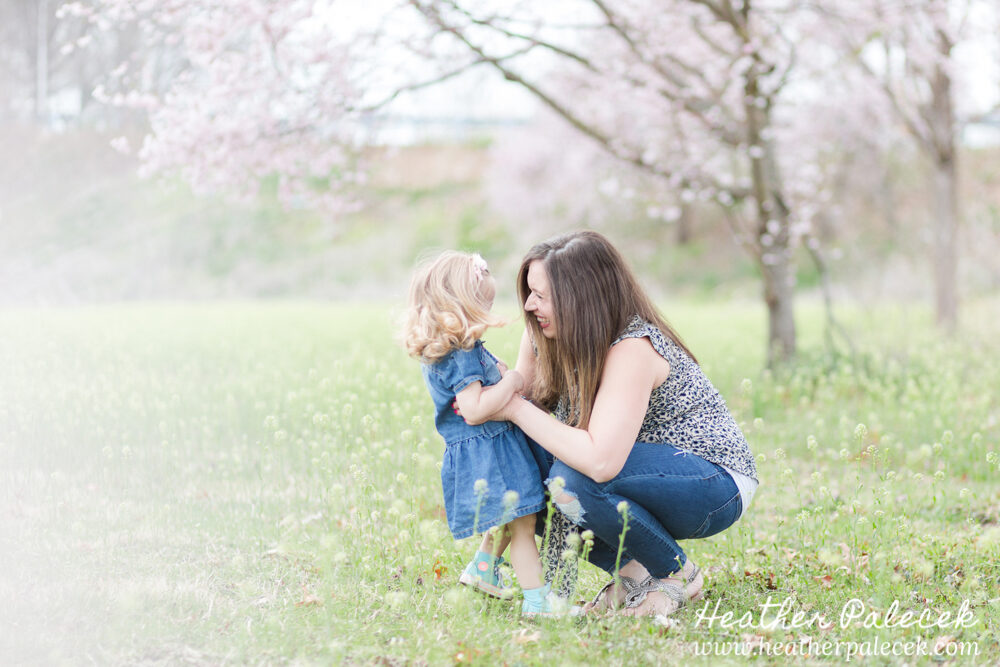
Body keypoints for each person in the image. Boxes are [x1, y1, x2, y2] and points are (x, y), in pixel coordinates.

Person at [465, 231, 760, 617]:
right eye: (529, 292)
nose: (529, 304)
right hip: (633, 470)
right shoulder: (541, 337)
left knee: (573, 478)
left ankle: (676, 575)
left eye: (542, 295)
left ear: (582, 298)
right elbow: (522, 438)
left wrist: (516, 409)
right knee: (524, 464)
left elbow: (600, 461)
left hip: (712, 481)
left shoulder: (633, 347)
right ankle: (636, 576)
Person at [401, 250, 563, 617]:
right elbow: (474, 410)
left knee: (508, 516)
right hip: (491, 451)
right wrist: (513, 381)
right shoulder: (462, 351)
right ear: (460, 305)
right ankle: (540, 603)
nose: (486, 316)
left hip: (486, 450)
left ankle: (483, 569)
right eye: (481, 306)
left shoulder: (448, 349)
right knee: (522, 525)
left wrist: (497, 374)